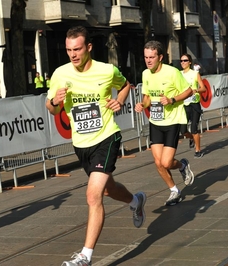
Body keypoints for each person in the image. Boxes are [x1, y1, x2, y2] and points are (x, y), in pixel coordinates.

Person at [46, 26, 146, 266]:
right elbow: (52, 108)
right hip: (81, 143)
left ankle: (85, 257)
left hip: (106, 137)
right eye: (69, 50)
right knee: (108, 189)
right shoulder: (60, 73)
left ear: (88, 47)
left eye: (77, 49)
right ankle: (135, 201)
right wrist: (54, 102)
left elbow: (125, 85)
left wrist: (119, 100)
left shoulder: (106, 70)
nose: (73, 54)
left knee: (93, 195)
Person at [134, 40, 195, 206]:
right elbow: (147, 98)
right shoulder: (146, 74)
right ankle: (174, 190)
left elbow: (189, 91)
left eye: (152, 57)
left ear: (160, 57)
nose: (148, 61)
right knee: (158, 162)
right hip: (155, 122)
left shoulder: (172, 72)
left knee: (167, 162)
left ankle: (182, 165)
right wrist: (142, 104)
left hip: (172, 121)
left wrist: (172, 99)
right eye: (146, 57)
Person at [179, 53, 206, 158]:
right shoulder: (178, 74)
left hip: (194, 104)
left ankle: (198, 150)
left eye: (185, 60)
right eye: (181, 61)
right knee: (183, 130)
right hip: (183, 105)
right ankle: (191, 138)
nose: (183, 63)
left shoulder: (195, 74)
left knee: (194, 128)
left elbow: (203, 88)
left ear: (189, 62)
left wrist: (196, 90)